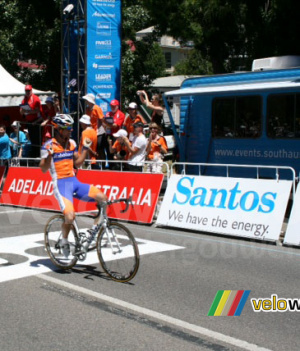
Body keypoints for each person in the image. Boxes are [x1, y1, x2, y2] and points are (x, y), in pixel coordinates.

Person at [39, 114, 107, 257]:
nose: (70, 130)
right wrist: (50, 156)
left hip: (74, 181)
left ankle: (92, 233)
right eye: (67, 128)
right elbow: (43, 169)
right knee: (70, 216)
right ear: (58, 129)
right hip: (61, 185)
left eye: (71, 128)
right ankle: (64, 240)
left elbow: (77, 163)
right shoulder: (48, 146)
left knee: (103, 198)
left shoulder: (71, 143)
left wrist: (85, 149)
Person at [20, 84, 44, 157]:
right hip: (29, 122)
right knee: (32, 140)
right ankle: (34, 155)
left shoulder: (35, 98)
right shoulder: (24, 99)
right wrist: (23, 111)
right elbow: (21, 110)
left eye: (29, 90)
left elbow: (38, 110)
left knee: (38, 140)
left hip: (37, 121)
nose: (27, 92)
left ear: (31, 90)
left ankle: (39, 155)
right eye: (26, 91)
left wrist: (29, 111)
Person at [82, 93, 106, 164]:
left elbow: (102, 120)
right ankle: (95, 164)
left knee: (99, 148)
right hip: (91, 132)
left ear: (90, 101)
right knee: (92, 148)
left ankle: (103, 165)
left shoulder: (97, 108)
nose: (86, 101)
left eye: (87, 100)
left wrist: (104, 131)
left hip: (99, 132)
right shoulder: (87, 109)